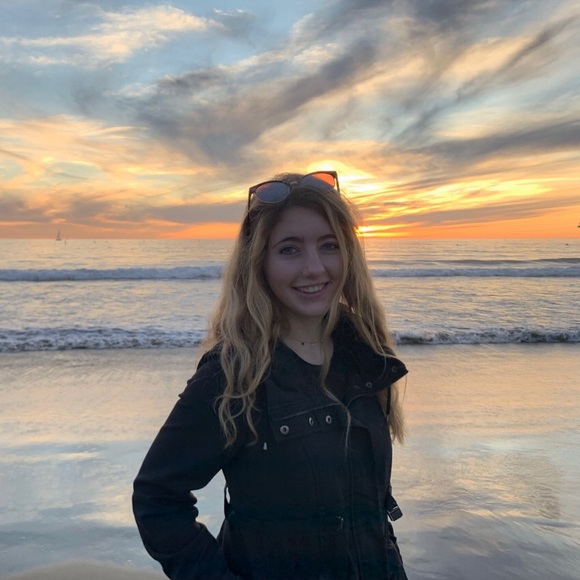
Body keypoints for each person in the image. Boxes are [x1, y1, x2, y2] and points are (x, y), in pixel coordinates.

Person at [132, 170, 409, 579]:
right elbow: (157, 497)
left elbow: (371, 507)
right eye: (289, 249)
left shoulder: (365, 356)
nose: (314, 267)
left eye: (329, 245)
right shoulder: (235, 375)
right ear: (258, 261)